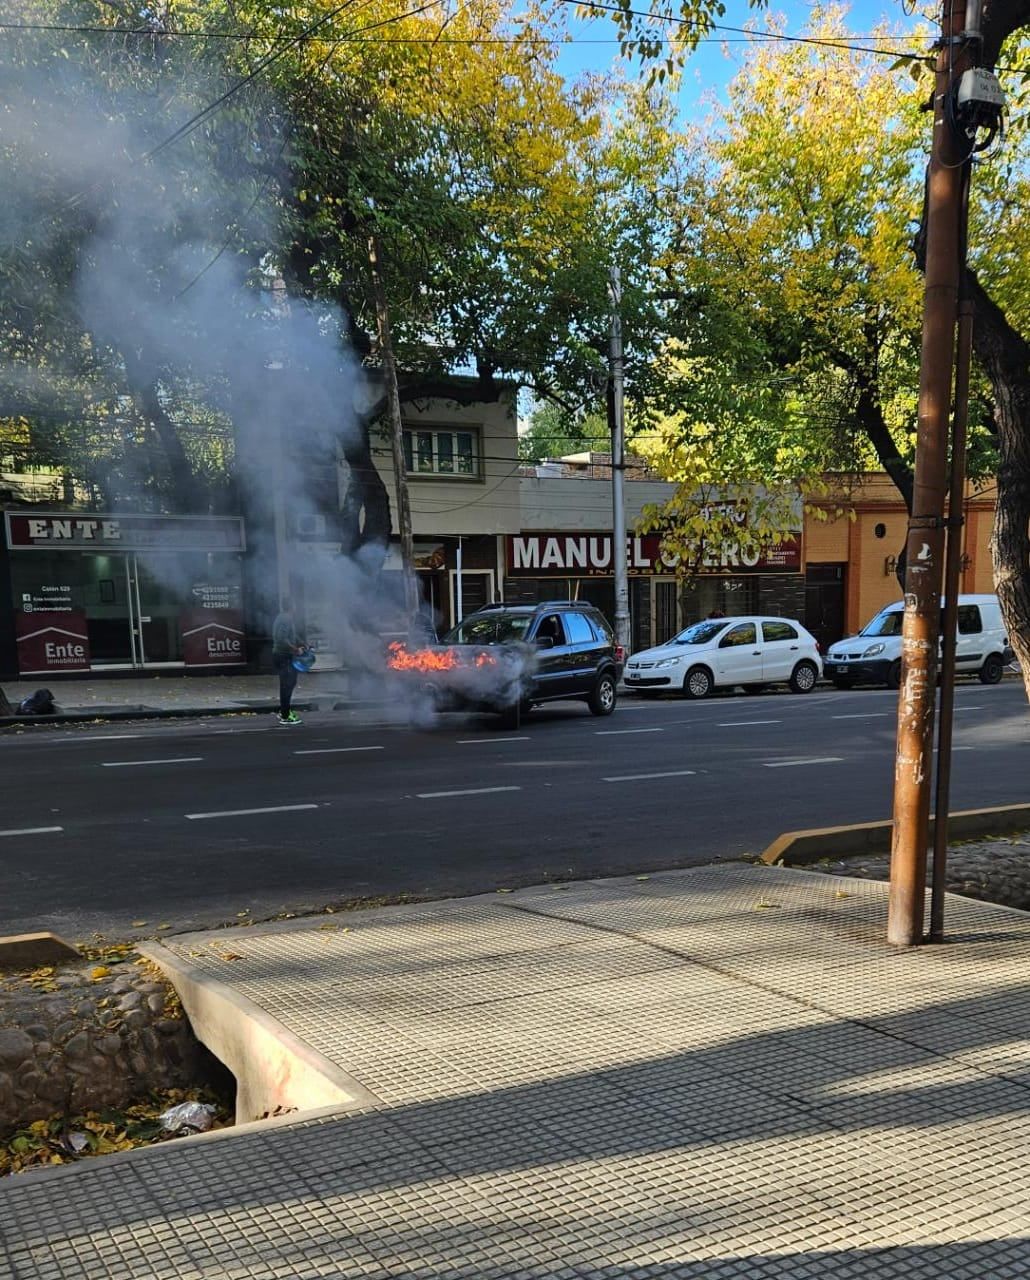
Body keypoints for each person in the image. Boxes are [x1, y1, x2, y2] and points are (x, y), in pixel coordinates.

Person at [272, 599, 304, 725]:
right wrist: (295, 649)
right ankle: (285, 715)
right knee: (287, 684)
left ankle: (285, 711)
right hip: (283, 656)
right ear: (292, 606)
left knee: (289, 683)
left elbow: (291, 636)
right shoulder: (286, 619)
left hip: (282, 655)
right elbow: (282, 638)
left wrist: (302, 643)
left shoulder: (283, 617)